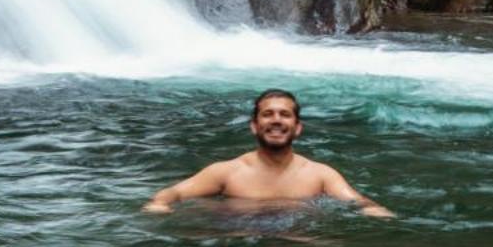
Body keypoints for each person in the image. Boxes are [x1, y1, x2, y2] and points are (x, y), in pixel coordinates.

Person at [142, 88, 394, 217]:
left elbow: (356, 201)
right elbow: (175, 192)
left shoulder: (320, 175)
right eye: (267, 114)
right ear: (254, 125)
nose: (276, 120)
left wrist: (372, 209)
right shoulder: (228, 172)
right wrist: (159, 204)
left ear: (297, 128)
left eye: (285, 114)